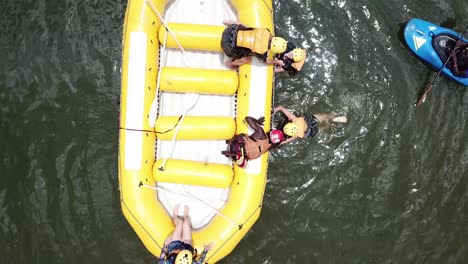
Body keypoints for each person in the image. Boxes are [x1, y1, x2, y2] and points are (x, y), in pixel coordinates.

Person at [221, 20, 288, 68]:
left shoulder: (266, 31)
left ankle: (226, 22)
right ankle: (229, 64)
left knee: (243, 25)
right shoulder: (262, 52)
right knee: (248, 59)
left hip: (229, 31)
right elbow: (266, 61)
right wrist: (277, 62)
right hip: (228, 47)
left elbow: (270, 37)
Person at [273, 105, 347, 144]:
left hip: (311, 132)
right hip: (311, 121)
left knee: (322, 128)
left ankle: (329, 124)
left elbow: (283, 142)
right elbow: (281, 108)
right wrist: (274, 110)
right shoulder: (295, 119)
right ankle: (334, 118)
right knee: (324, 116)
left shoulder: (294, 135)